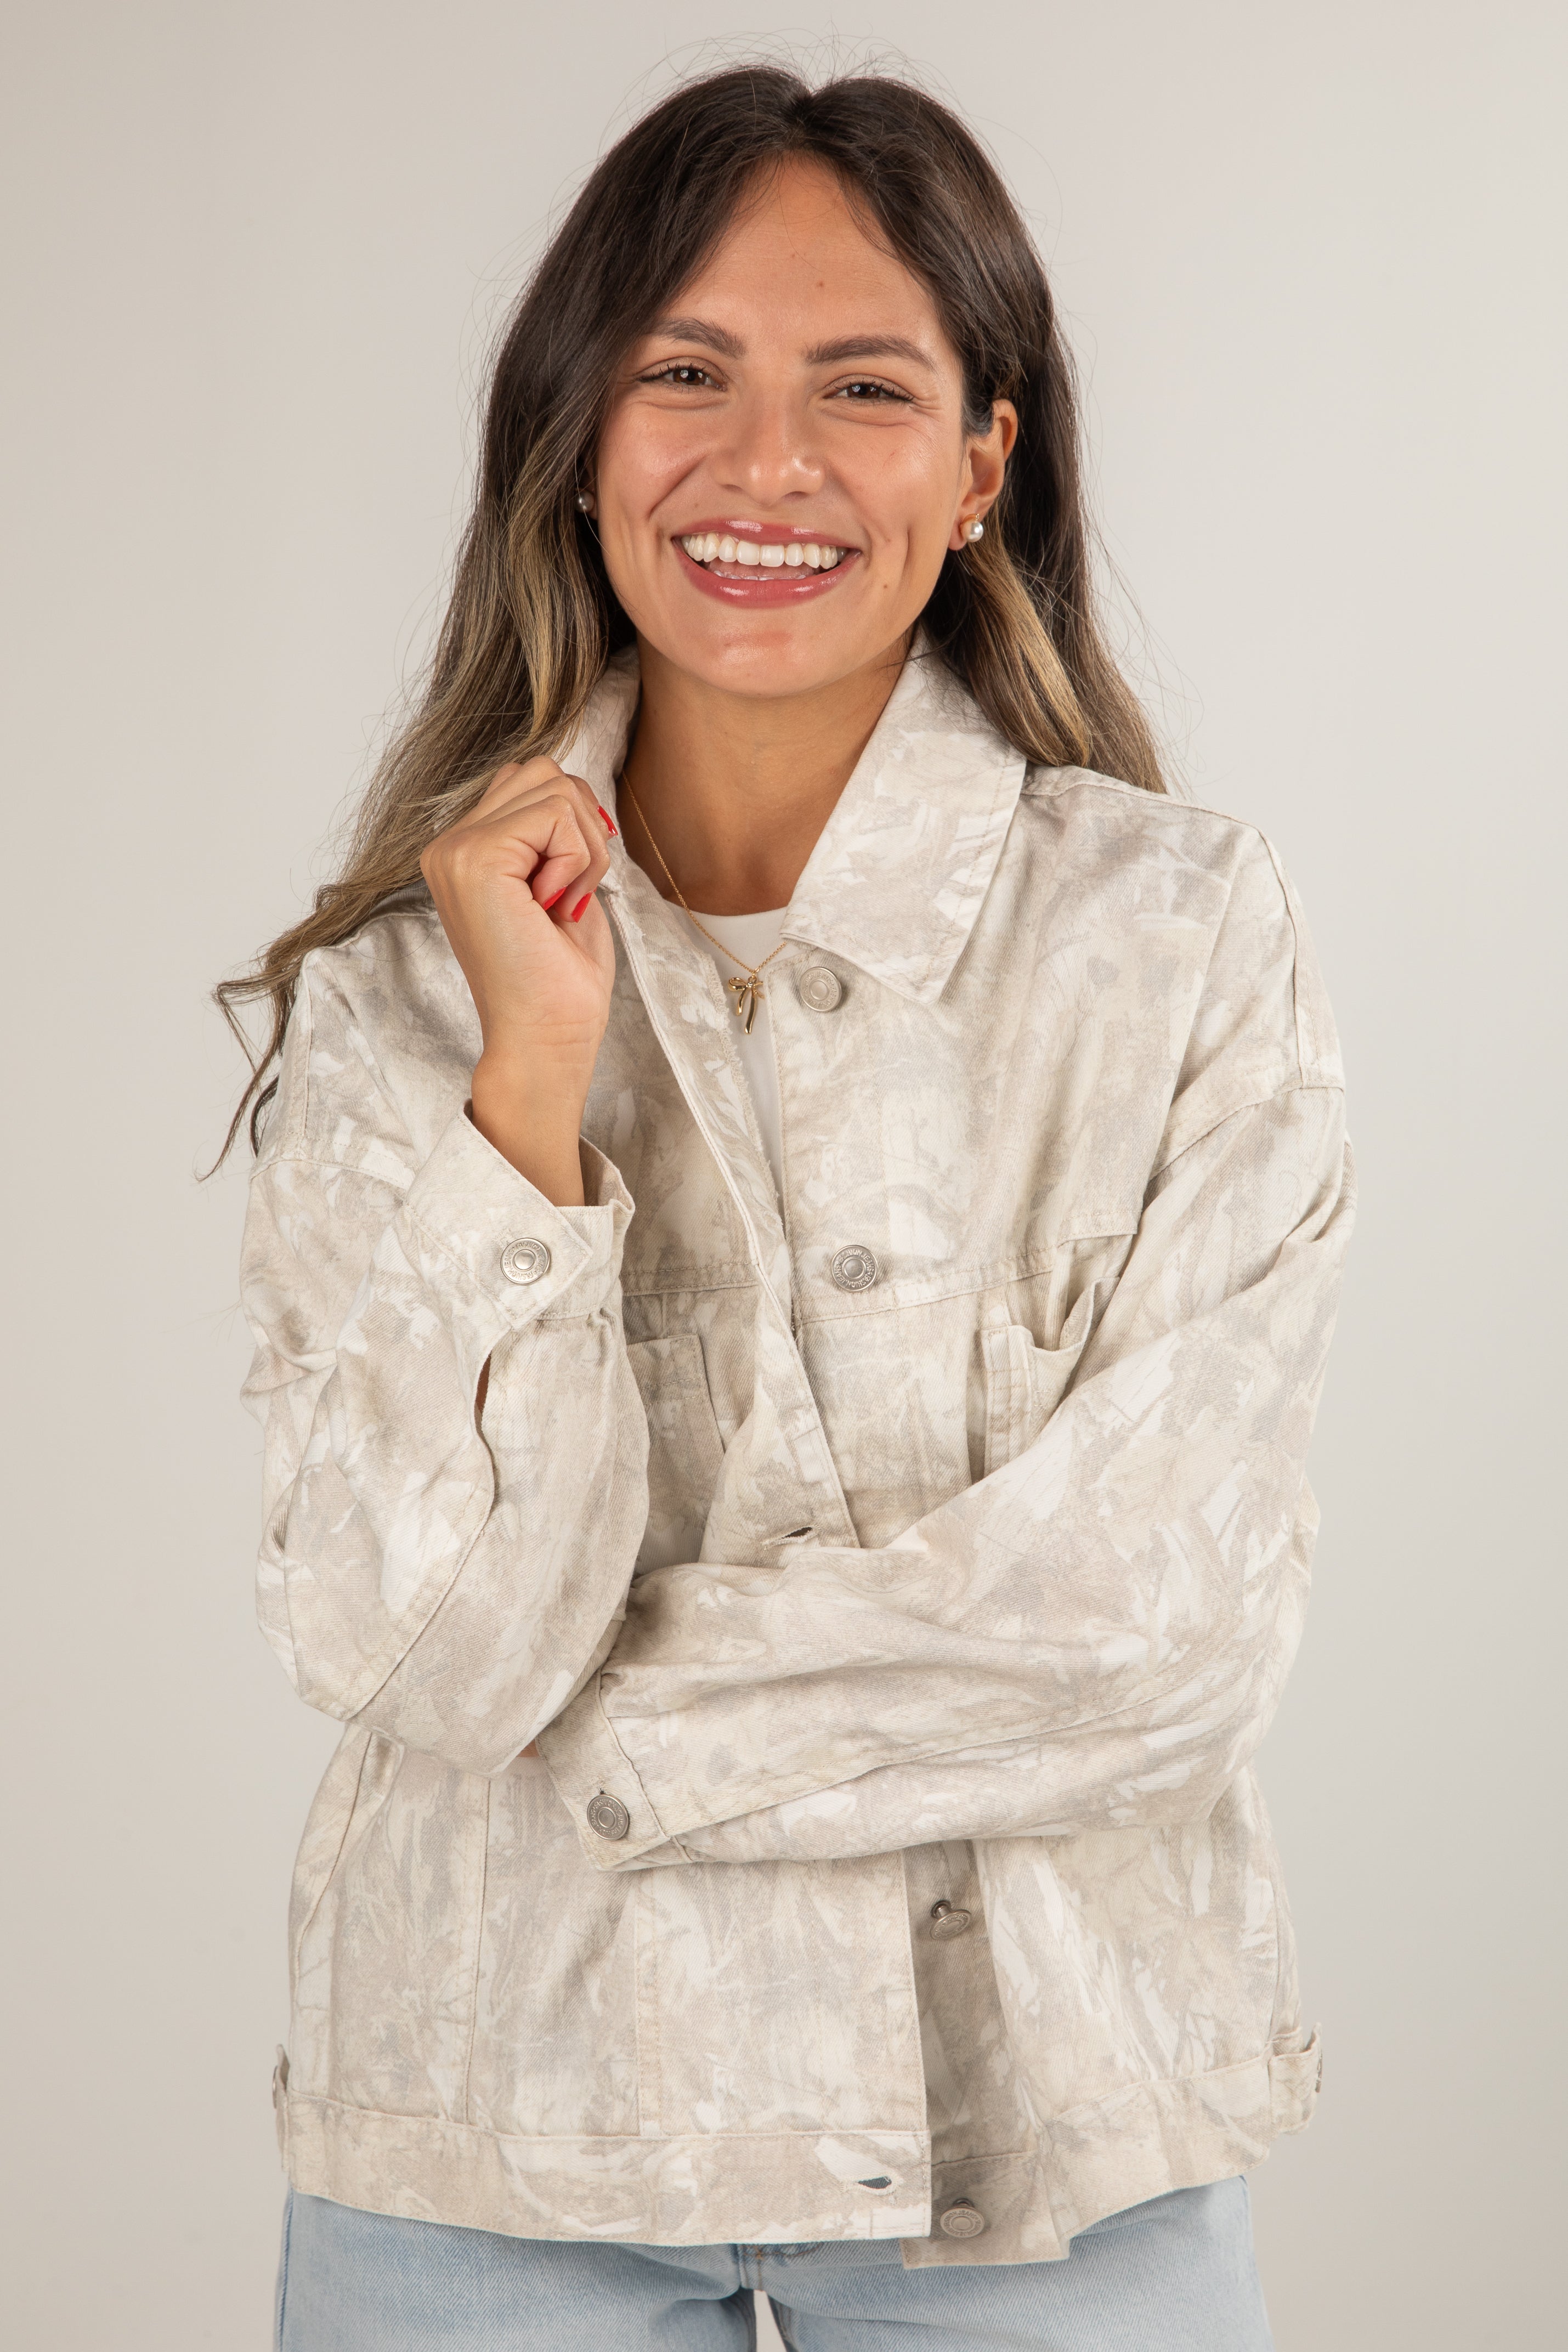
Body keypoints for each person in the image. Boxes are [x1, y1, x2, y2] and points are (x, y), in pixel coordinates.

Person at [223, 63, 1352, 2352]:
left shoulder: (1172, 935)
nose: (766, 465)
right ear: (578, 434)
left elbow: (1159, 1627)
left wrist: (595, 1740)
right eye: (684, 376)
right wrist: (533, 1086)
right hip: (489, 2131)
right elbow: (414, 1649)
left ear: (979, 465)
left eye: (864, 386)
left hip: (1048, 2148)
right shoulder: (397, 1001)